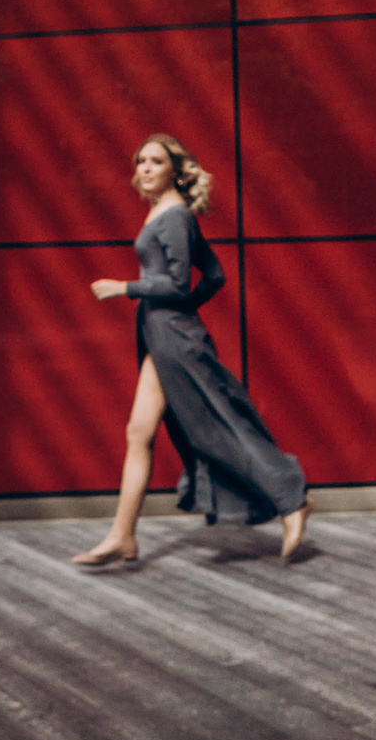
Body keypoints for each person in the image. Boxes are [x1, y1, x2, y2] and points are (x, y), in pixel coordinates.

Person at [75, 135, 311, 568]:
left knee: (218, 425)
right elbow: (216, 276)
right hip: (163, 335)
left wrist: (124, 288)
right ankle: (122, 536)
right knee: (137, 433)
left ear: (174, 170)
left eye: (156, 161)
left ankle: (292, 499)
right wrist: (176, 312)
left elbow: (179, 284)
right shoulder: (163, 214)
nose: (145, 168)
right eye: (141, 160)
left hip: (176, 340)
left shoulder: (175, 218)